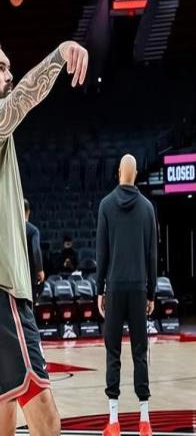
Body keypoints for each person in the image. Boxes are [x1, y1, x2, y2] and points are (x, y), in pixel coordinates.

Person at [0, 38, 88, 435]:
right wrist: (59, 55)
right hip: (1, 292)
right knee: (46, 418)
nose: (9, 74)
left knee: (0, 419)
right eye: (0, 67)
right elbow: (22, 99)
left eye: (9, 67)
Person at [96, 154, 157, 436]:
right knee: (140, 352)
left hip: (115, 288)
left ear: (119, 171)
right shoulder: (148, 208)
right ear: (136, 173)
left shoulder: (105, 205)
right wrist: (151, 292)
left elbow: (102, 253)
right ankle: (144, 420)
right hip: (139, 289)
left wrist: (99, 289)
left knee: (113, 352)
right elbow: (152, 255)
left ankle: (113, 421)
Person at [24, 198, 44, 300]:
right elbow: (35, 250)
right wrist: (39, 269)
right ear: (28, 211)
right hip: (29, 276)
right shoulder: (33, 230)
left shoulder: (10, 231)